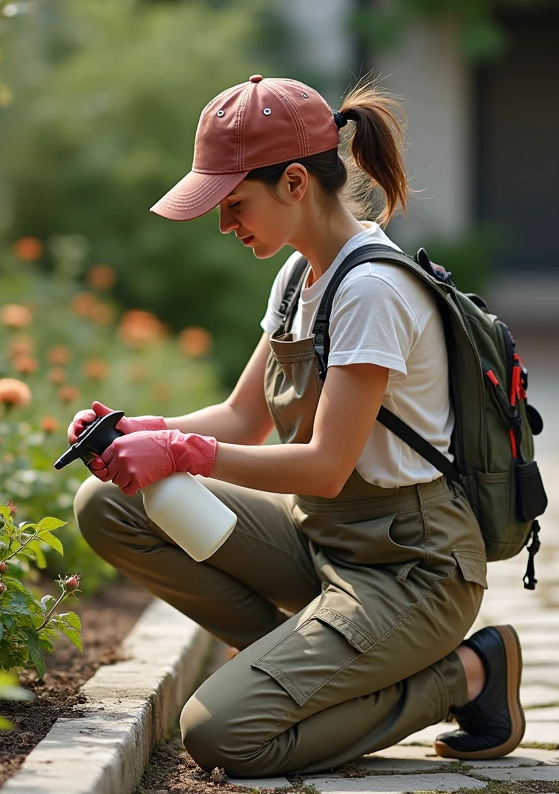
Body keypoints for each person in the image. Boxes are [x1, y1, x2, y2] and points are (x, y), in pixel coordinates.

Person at [68, 74, 523, 778]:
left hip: (410, 568)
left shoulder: (372, 289)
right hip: (324, 542)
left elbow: (325, 465)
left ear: (295, 184)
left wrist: (183, 451)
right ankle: (304, 669)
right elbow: (243, 419)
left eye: (234, 202)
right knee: (108, 505)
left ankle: (466, 675)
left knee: (222, 736)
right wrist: (138, 430)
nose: (225, 223)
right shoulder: (296, 279)